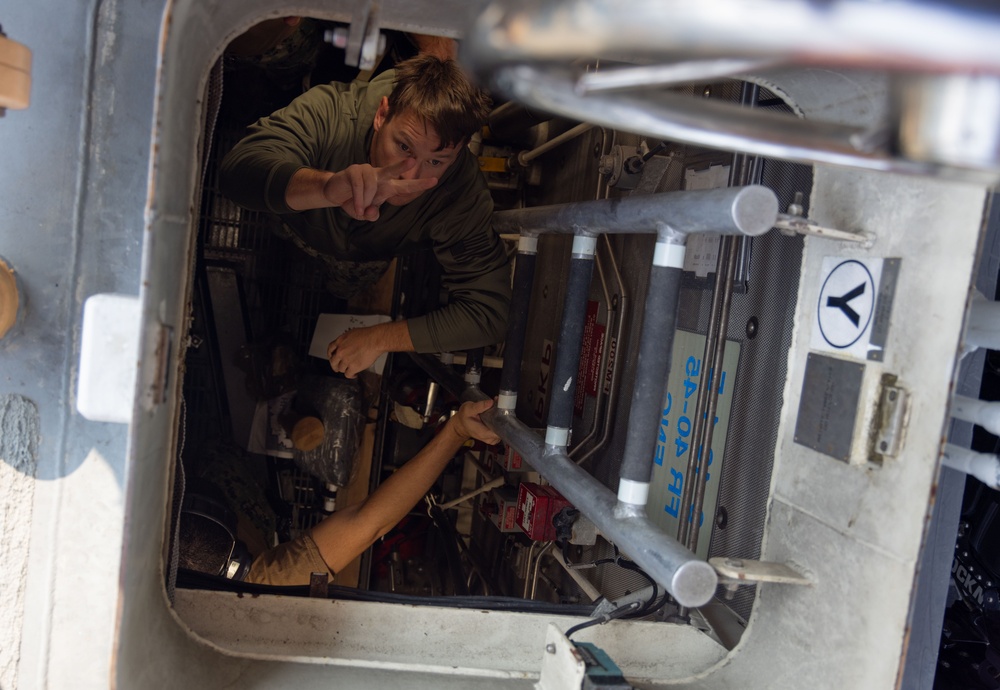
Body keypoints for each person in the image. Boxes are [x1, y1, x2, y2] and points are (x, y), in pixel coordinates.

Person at [219, 53, 511, 379]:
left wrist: (381, 337)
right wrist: (326, 187)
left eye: (435, 162)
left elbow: (490, 312)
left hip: (361, 260)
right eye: (403, 147)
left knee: (344, 287)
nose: (408, 176)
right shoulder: (333, 113)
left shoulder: (461, 193)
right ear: (382, 114)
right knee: (276, 231)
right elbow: (236, 170)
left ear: (458, 152)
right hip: (293, 220)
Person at [243, 398, 500, 585]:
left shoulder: (254, 580)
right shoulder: (257, 581)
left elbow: (367, 524)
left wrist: (456, 432)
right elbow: (366, 523)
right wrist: (455, 432)